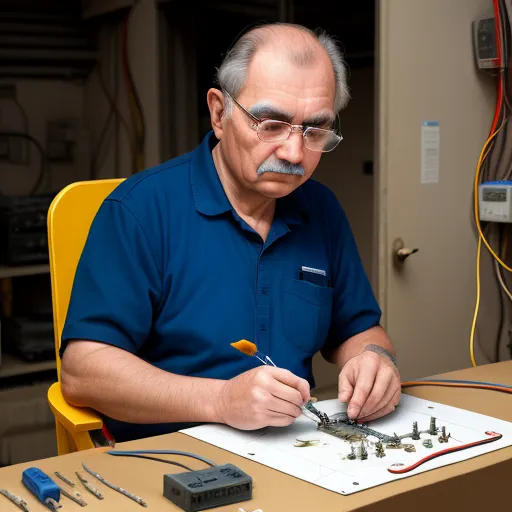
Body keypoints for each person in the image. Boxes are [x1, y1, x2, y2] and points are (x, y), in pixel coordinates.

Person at [60, 22, 401, 443]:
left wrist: (375, 361)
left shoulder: (321, 209)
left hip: (295, 451)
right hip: (167, 456)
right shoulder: (140, 211)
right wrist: (221, 400)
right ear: (220, 113)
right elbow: (83, 369)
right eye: (271, 124)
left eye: (314, 131)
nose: (294, 153)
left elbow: (359, 329)